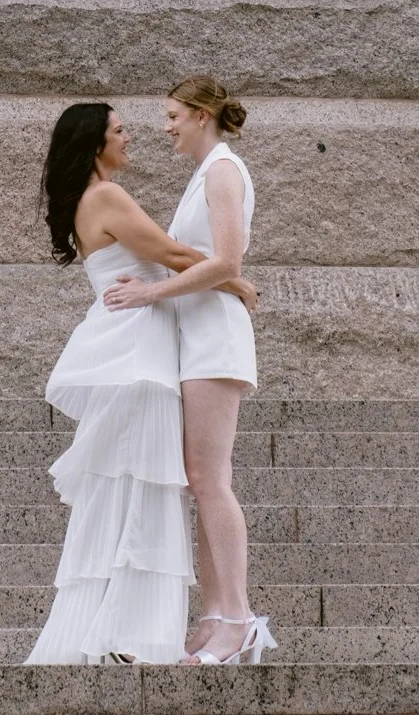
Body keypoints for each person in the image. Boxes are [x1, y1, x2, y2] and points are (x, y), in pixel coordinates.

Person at [26, 101, 258, 666]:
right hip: (137, 355)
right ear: (93, 144)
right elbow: (172, 254)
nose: (131, 138)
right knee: (143, 484)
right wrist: (235, 284)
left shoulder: (92, 197)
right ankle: (130, 633)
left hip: (135, 349)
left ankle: (121, 629)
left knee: (135, 483)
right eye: (120, 131)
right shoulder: (105, 196)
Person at [103, 75, 274, 667]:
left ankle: (239, 621)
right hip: (196, 338)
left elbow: (227, 259)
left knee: (211, 479)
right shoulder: (206, 175)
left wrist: (152, 293)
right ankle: (215, 618)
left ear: (203, 114)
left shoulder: (224, 170)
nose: (167, 126)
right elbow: (205, 263)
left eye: (174, 115)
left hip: (214, 340)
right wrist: (153, 285)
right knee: (201, 480)